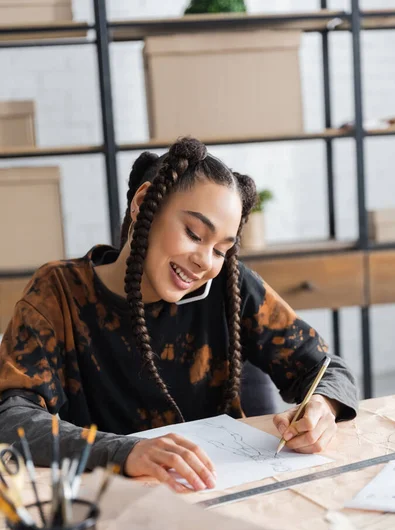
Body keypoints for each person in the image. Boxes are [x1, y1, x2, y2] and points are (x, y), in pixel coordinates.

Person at [0, 137, 358, 493]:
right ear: (144, 204)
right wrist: (126, 452)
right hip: (119, 504)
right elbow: (12, 416)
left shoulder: (230, 287)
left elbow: (326, 368)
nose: (205, 261)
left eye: (221, 249)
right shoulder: (59, 292)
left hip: (227, 494)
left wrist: (322, 407)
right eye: (193, 233)